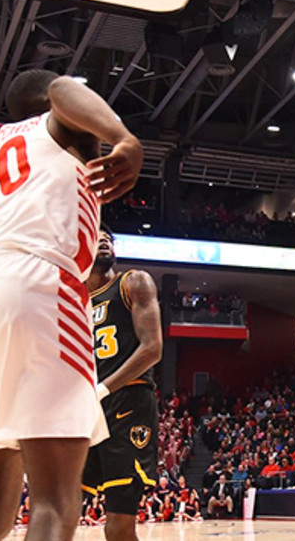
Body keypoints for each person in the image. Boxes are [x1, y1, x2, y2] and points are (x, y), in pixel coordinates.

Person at [0, 71, 142, 541]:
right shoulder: (64, 126)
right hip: (40, 285)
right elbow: (63, 89)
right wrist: (124, 138)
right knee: (55, 505)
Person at [81, 226, 162, 541]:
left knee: (117, 525)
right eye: (95, 234)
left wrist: (101, 389)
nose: (104, 239)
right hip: (83, 408)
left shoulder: (132, 282)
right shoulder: (72, 300)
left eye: (109, 237)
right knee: (59, 510)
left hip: (126, 404)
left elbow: (152, 349)